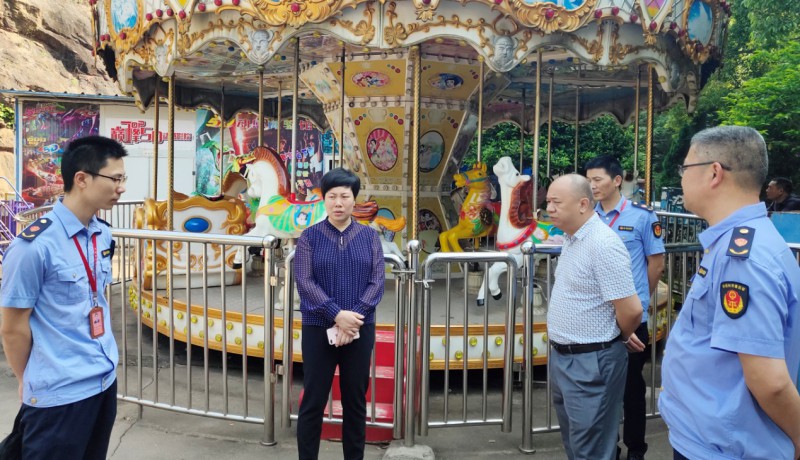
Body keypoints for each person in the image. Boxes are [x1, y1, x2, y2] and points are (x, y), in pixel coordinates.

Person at [659, 126, 800, 459]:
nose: (681, 178)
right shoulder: (740, 242)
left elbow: (770, 382)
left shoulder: (743, 258)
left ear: (714, 173)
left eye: (685, 168)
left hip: (723, 447)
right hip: (712, 439)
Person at [0, 135, 127, 459]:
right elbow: (13, 328)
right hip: (59, 394)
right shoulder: (33, 247)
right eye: (115, 179)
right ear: (82, 179)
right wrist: (28, 379)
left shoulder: (102, 233)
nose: (121, 188)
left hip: (103, 380)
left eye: (122, 179)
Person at [545, 174, 643, 459]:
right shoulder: (573, 238)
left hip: (591, 361)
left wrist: (617, 337)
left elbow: (632, 309)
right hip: (564, 357)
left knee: (592, 447)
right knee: (576, 443)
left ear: (583, 204)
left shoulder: (603, 244)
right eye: (548, 201)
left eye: (556, 202)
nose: (549, 208)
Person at [294, 167, 385, 460]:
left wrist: (352, 319)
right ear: (324, 199)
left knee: (355, 402)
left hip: (359, 327)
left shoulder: (370, 237)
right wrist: (336, 314)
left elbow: (377, 282)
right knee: (313, 400)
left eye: (344, 196)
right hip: (317, 327)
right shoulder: (309, 237)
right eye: (332, 196)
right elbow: (305, 281)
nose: (338, 203)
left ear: (354, 199)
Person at [585, 156, 665, 460]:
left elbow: (655, 264)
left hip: (629, 316)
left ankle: (636, 449)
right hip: (597, 316)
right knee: (601, 388)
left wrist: (638, 302)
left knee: (632, 387)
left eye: (597, 179)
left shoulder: (642, 217)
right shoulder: (587, 217)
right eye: (588, 180)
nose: (592, 186)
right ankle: (609, 447)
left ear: (616, 180)